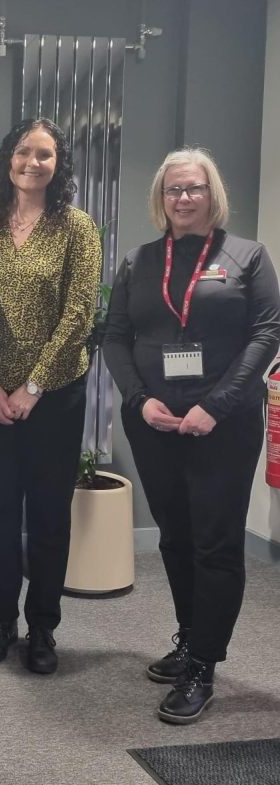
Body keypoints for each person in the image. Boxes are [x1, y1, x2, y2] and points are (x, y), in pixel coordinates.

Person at [103, 148, 280, 724]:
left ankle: (205, 664)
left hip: (221, 426)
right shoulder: (139, 260)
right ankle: (188, 640)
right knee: (176, 538)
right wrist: (141, 399)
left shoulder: (247, 257)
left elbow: (267, 334)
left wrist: (217, 405)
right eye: (173, 190)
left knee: (215, 543)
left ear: (212, 194)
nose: (183, 198)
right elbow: (115, 337)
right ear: (161, 198)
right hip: (154, 423)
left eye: (194, 189)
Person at [0, 118, 102, 675]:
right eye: (25, 152)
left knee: (48, 516)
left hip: (56, 396)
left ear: (58, 164)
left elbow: (78, 316)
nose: (34, 162)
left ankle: (42, 627)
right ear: (8, 159)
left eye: (45, 154)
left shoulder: (77, 227)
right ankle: (0, 619)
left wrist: (33, 386)